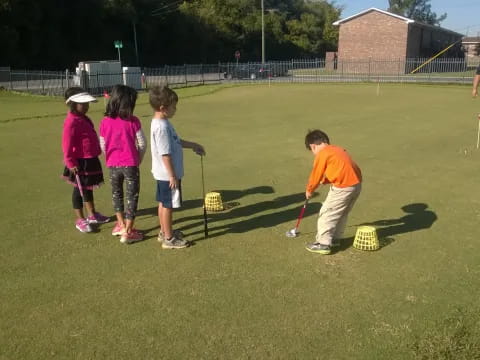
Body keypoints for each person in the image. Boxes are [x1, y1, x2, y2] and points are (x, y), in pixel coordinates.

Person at [149, 85, 205, 249]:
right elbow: (165, 154)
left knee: (163, 203)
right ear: (163, 108)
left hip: (164, 174)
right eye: (173, 106)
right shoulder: (161, 127)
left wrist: (193, 145)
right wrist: (172, 176)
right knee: (168, 205)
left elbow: (176, 142)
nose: (176, 109)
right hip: (168, 176)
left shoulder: (164, 123)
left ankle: (164, 231)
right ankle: (169, 238)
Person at [99, 85, 147, 244]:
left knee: (116, 194)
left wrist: (110, 157)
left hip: (113, 164)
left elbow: (103, 144)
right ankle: (128, 230)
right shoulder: (133, 121)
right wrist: (138, 159)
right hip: (131, 164)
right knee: (132, 196)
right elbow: (142, 143)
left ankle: (120, 224)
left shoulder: (105, 122)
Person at [304, 129, 362, 255]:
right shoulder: (337, 149)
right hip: (356, 185)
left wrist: (309, 190)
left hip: (343, 187)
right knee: (341, 213)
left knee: (327, 213)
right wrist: (325, 180)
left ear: (313, 146)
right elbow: (340, 168)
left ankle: (324, 244)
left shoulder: (323, 153)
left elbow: (316, 174)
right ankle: (335, 239)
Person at [62, 87, 110, 233]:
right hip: (78, 162)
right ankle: (80, 219)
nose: (87, 106)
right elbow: (67, 144)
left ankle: (92, 215)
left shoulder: (84, 118)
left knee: (88, 188)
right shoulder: (71, 121)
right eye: (83, 104)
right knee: (79, 190)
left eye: (87, 103)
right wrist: (70, 162)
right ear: (73, 104)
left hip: (90, 159)